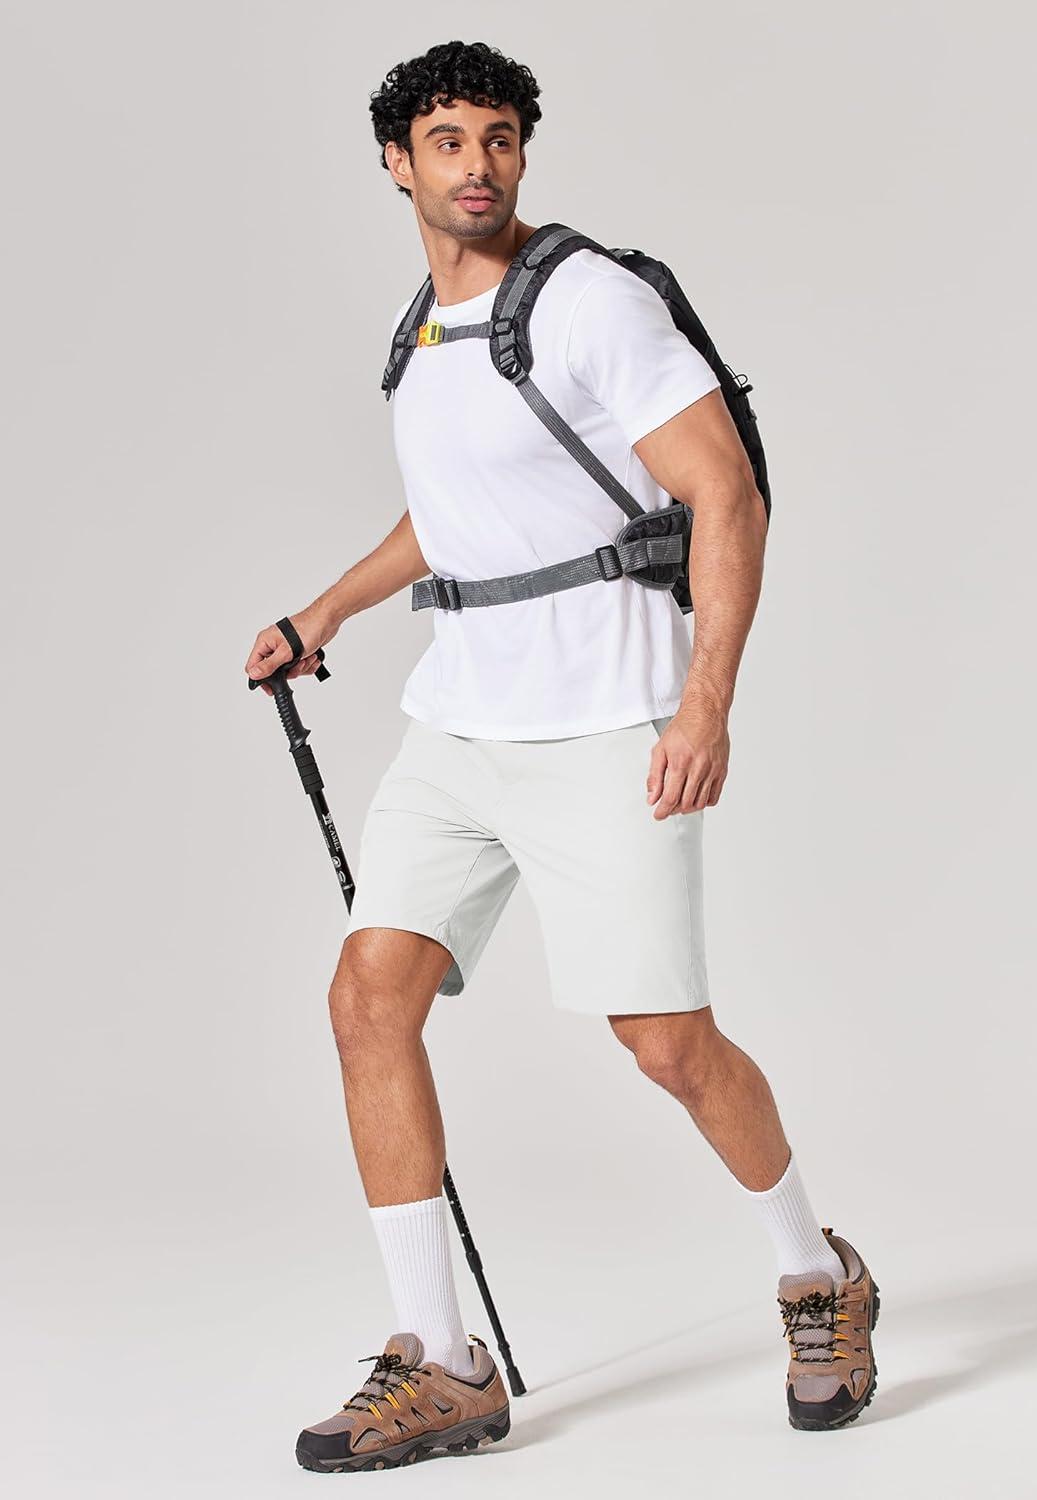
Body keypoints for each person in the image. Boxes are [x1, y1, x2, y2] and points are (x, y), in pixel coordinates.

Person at [245, 38, 879, 1472]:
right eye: (447, 141)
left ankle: (816, 1274)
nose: (477, 166)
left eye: (499, 138)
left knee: (664, 1043)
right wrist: (323, 613)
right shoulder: (420, 330)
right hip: (457, 727)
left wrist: (704, 702)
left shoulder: (591, 301)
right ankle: (442, 1361)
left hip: (605, 722)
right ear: (396, 164)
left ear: (522, 151)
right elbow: (453, 514)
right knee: (366, 1000)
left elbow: (721, 490)